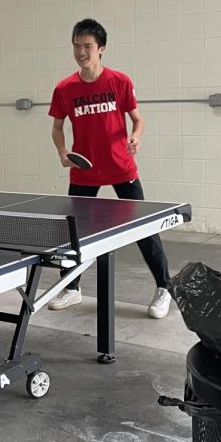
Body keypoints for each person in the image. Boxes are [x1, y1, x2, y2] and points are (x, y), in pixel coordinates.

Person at [47, 19, 173, 319]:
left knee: (145, 229)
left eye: (87, 46)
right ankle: (72, 288)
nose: (81, 52)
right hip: (85, 169)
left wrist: (136, 136)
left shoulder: (119, 82)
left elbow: (138, 119)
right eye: (77, 46)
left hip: (120, 166)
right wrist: (63, 152)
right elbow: (56, 127)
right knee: (74, 233)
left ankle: (165, 288)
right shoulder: (65, 88)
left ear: (101, 49)